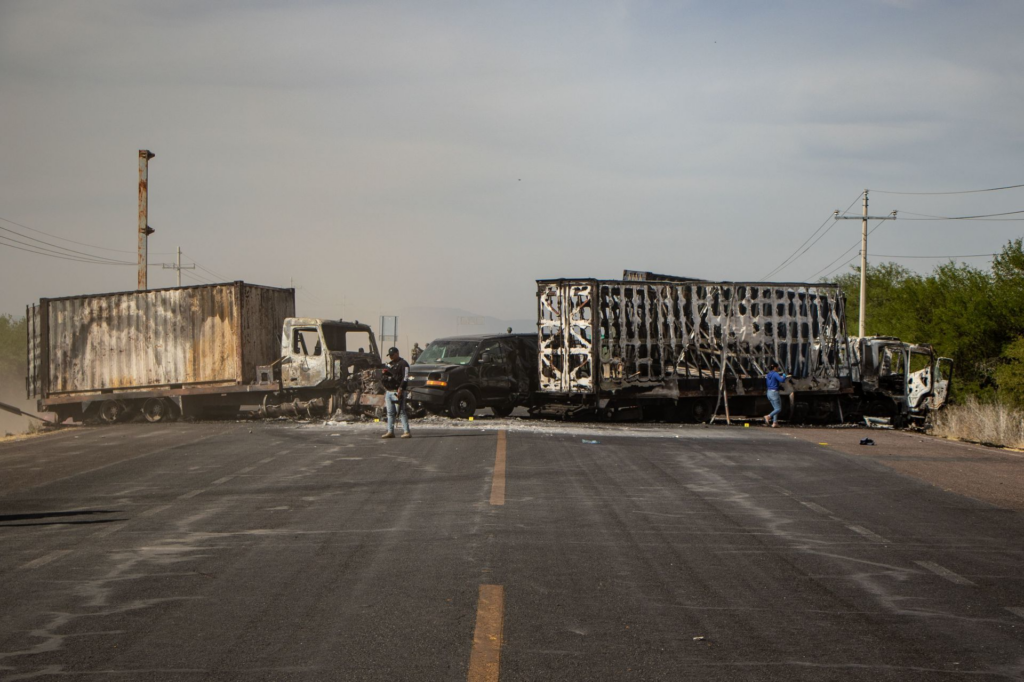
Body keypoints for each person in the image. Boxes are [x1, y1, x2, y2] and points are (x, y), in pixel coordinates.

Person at [382, 346, 411, 438]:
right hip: (389, 391)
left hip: (397, 391)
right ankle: (390, 431)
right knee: (390, 413)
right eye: (390, 355)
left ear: (397, 354)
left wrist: (401, 388)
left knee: (401, 412)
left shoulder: (403, 364)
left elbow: (405, 377)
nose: (391, 357)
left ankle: (406, 431)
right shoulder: (390, 364)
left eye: (392, 355)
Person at [764, 362, 787, 427]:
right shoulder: (775, 374)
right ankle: (768, 416)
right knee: (778, 409)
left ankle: (775, 423)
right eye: (777, 367)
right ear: (775, 368)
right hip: (774, 392)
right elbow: (782, 380)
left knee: (775, 408)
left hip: (769, 392)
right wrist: (784, 376)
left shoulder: (768, 374)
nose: (778, 369)